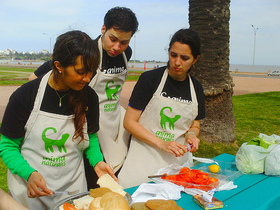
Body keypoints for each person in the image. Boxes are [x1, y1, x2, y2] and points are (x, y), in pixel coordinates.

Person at [0, 30, 117, 209]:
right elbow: (8, 146)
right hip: (31, 191)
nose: (87, 78)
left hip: (73, 192)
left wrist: (97, 161)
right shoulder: (25, 96)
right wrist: (28, 173)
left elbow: (90, 138)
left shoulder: (89, 98)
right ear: (58, 65)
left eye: (92, 72)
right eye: (80, 71)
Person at [28, 7, 139, 189]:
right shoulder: (85, 53)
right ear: (103, 29)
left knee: (116, 173)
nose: (117, 47)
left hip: (113, 122)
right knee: (92, 177)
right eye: (113, 39)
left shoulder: (126, 54)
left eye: (124, 42)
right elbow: (33, 79)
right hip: (88, 122)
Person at [118, 28, 206, 188]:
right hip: (142, 159)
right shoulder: (149, 79)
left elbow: (195, 124)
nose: (177, 62)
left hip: (177, 165)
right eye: (173, 55)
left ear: (195, 59)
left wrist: (192, 136)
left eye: (184, 58)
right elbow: (129, 122)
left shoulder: (196, 88)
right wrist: (162, 143)